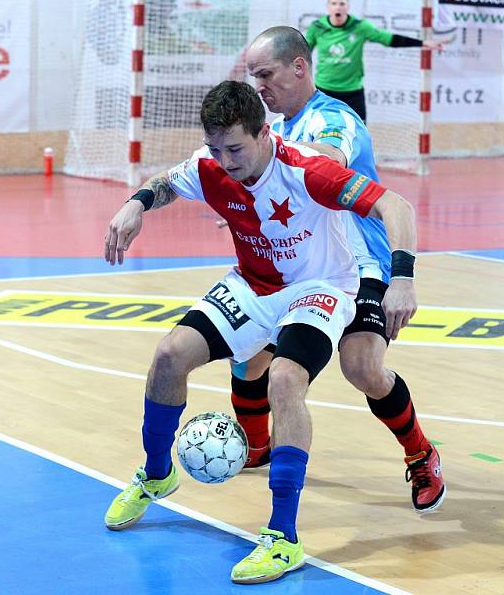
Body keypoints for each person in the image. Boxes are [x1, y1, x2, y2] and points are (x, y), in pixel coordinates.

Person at [102, 80, 419, 585]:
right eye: (215, 148)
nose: (225, 161)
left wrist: (401, 276)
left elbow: (396, 206)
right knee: (169, 355)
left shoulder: (307, 171)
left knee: (286, 381)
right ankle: (157, 474)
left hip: (320, 287)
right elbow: (168, 180)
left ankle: (282, 538)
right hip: (253, 286)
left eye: (235, 149)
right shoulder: (211, 166)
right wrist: (136, 203)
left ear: (263, 134)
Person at [232, 26, 445, 515]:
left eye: (265, 74)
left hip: (358, 265)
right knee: (247, 355)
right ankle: (258, 445)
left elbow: (324, 165)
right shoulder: (273, 129)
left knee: (362, 367)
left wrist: (403, 277)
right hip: (296, 267)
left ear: (299, 67)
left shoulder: (335, 122)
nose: (259, 87)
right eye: (252, 77)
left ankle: (421, 453)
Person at [306, 0, 443, 123]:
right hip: (324, 90)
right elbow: (303, 54)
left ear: (348, 7)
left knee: (360, 135)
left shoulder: (360, 26)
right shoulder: (317, 27)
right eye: (334, 3)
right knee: (319, 130)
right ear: (328, 7)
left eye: (342, 3)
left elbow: (387, 39)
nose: (338, 7)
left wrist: (423, 43)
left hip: (353, 92)